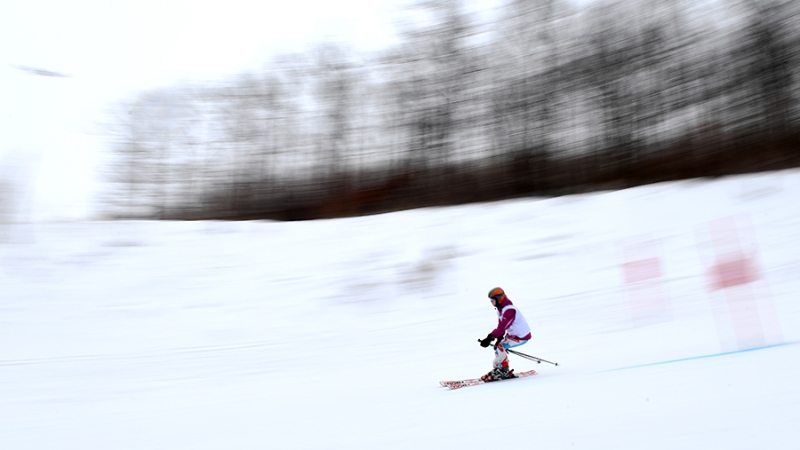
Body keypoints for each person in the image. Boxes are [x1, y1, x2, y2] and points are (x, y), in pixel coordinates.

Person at [478, 287, 532, 381]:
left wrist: (489, 338)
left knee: (500, 346)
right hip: (513, 335)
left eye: (492, 300)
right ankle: (498, 368)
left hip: (521, 336)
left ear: (499, 298)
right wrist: (498, 338)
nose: (491, 302)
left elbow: (502, 327)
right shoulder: (501, 309)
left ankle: (504, 370)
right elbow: (501, 326)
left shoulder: (509, 310)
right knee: (498, 347)